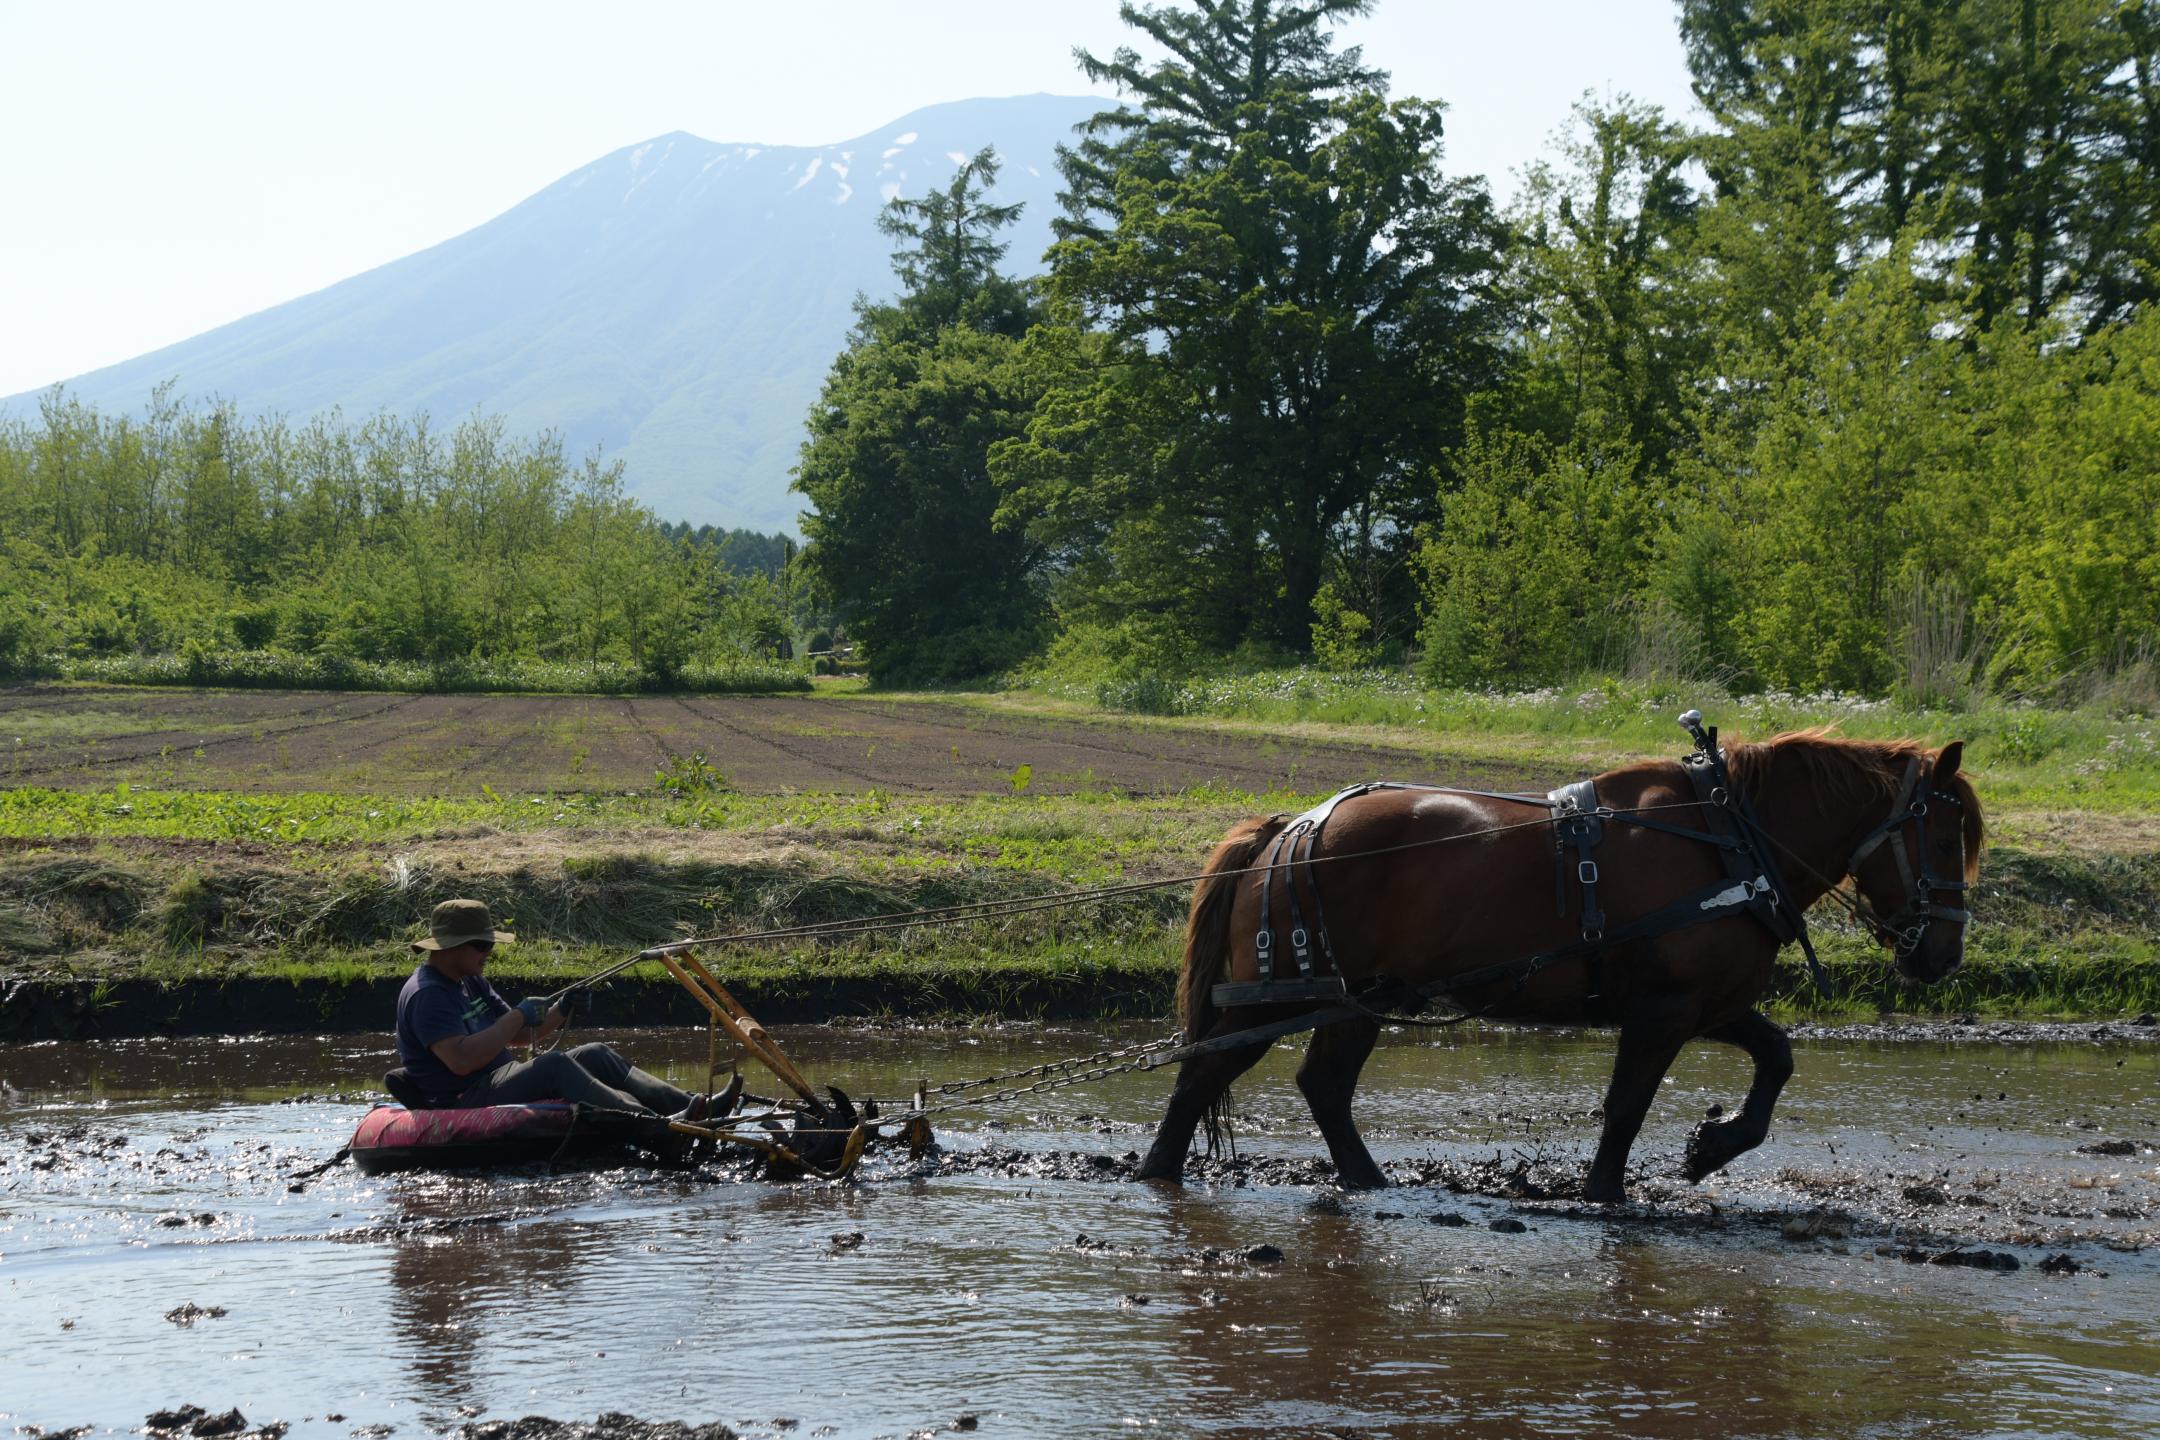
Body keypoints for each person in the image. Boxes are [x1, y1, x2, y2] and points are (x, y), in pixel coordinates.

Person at [391, 897, 720, 1120]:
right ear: (450, 947)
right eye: (482, 945)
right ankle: (650, 1122)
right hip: (466, 1098)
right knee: (554, 1066)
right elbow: (461, 1061)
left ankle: (692, 1107)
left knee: (595, 1053)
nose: (488, 953)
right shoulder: (427, 995)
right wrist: (518, 1013)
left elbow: (518, 1036)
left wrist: (561, 1009)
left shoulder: (469, 979)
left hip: (497, 1079)